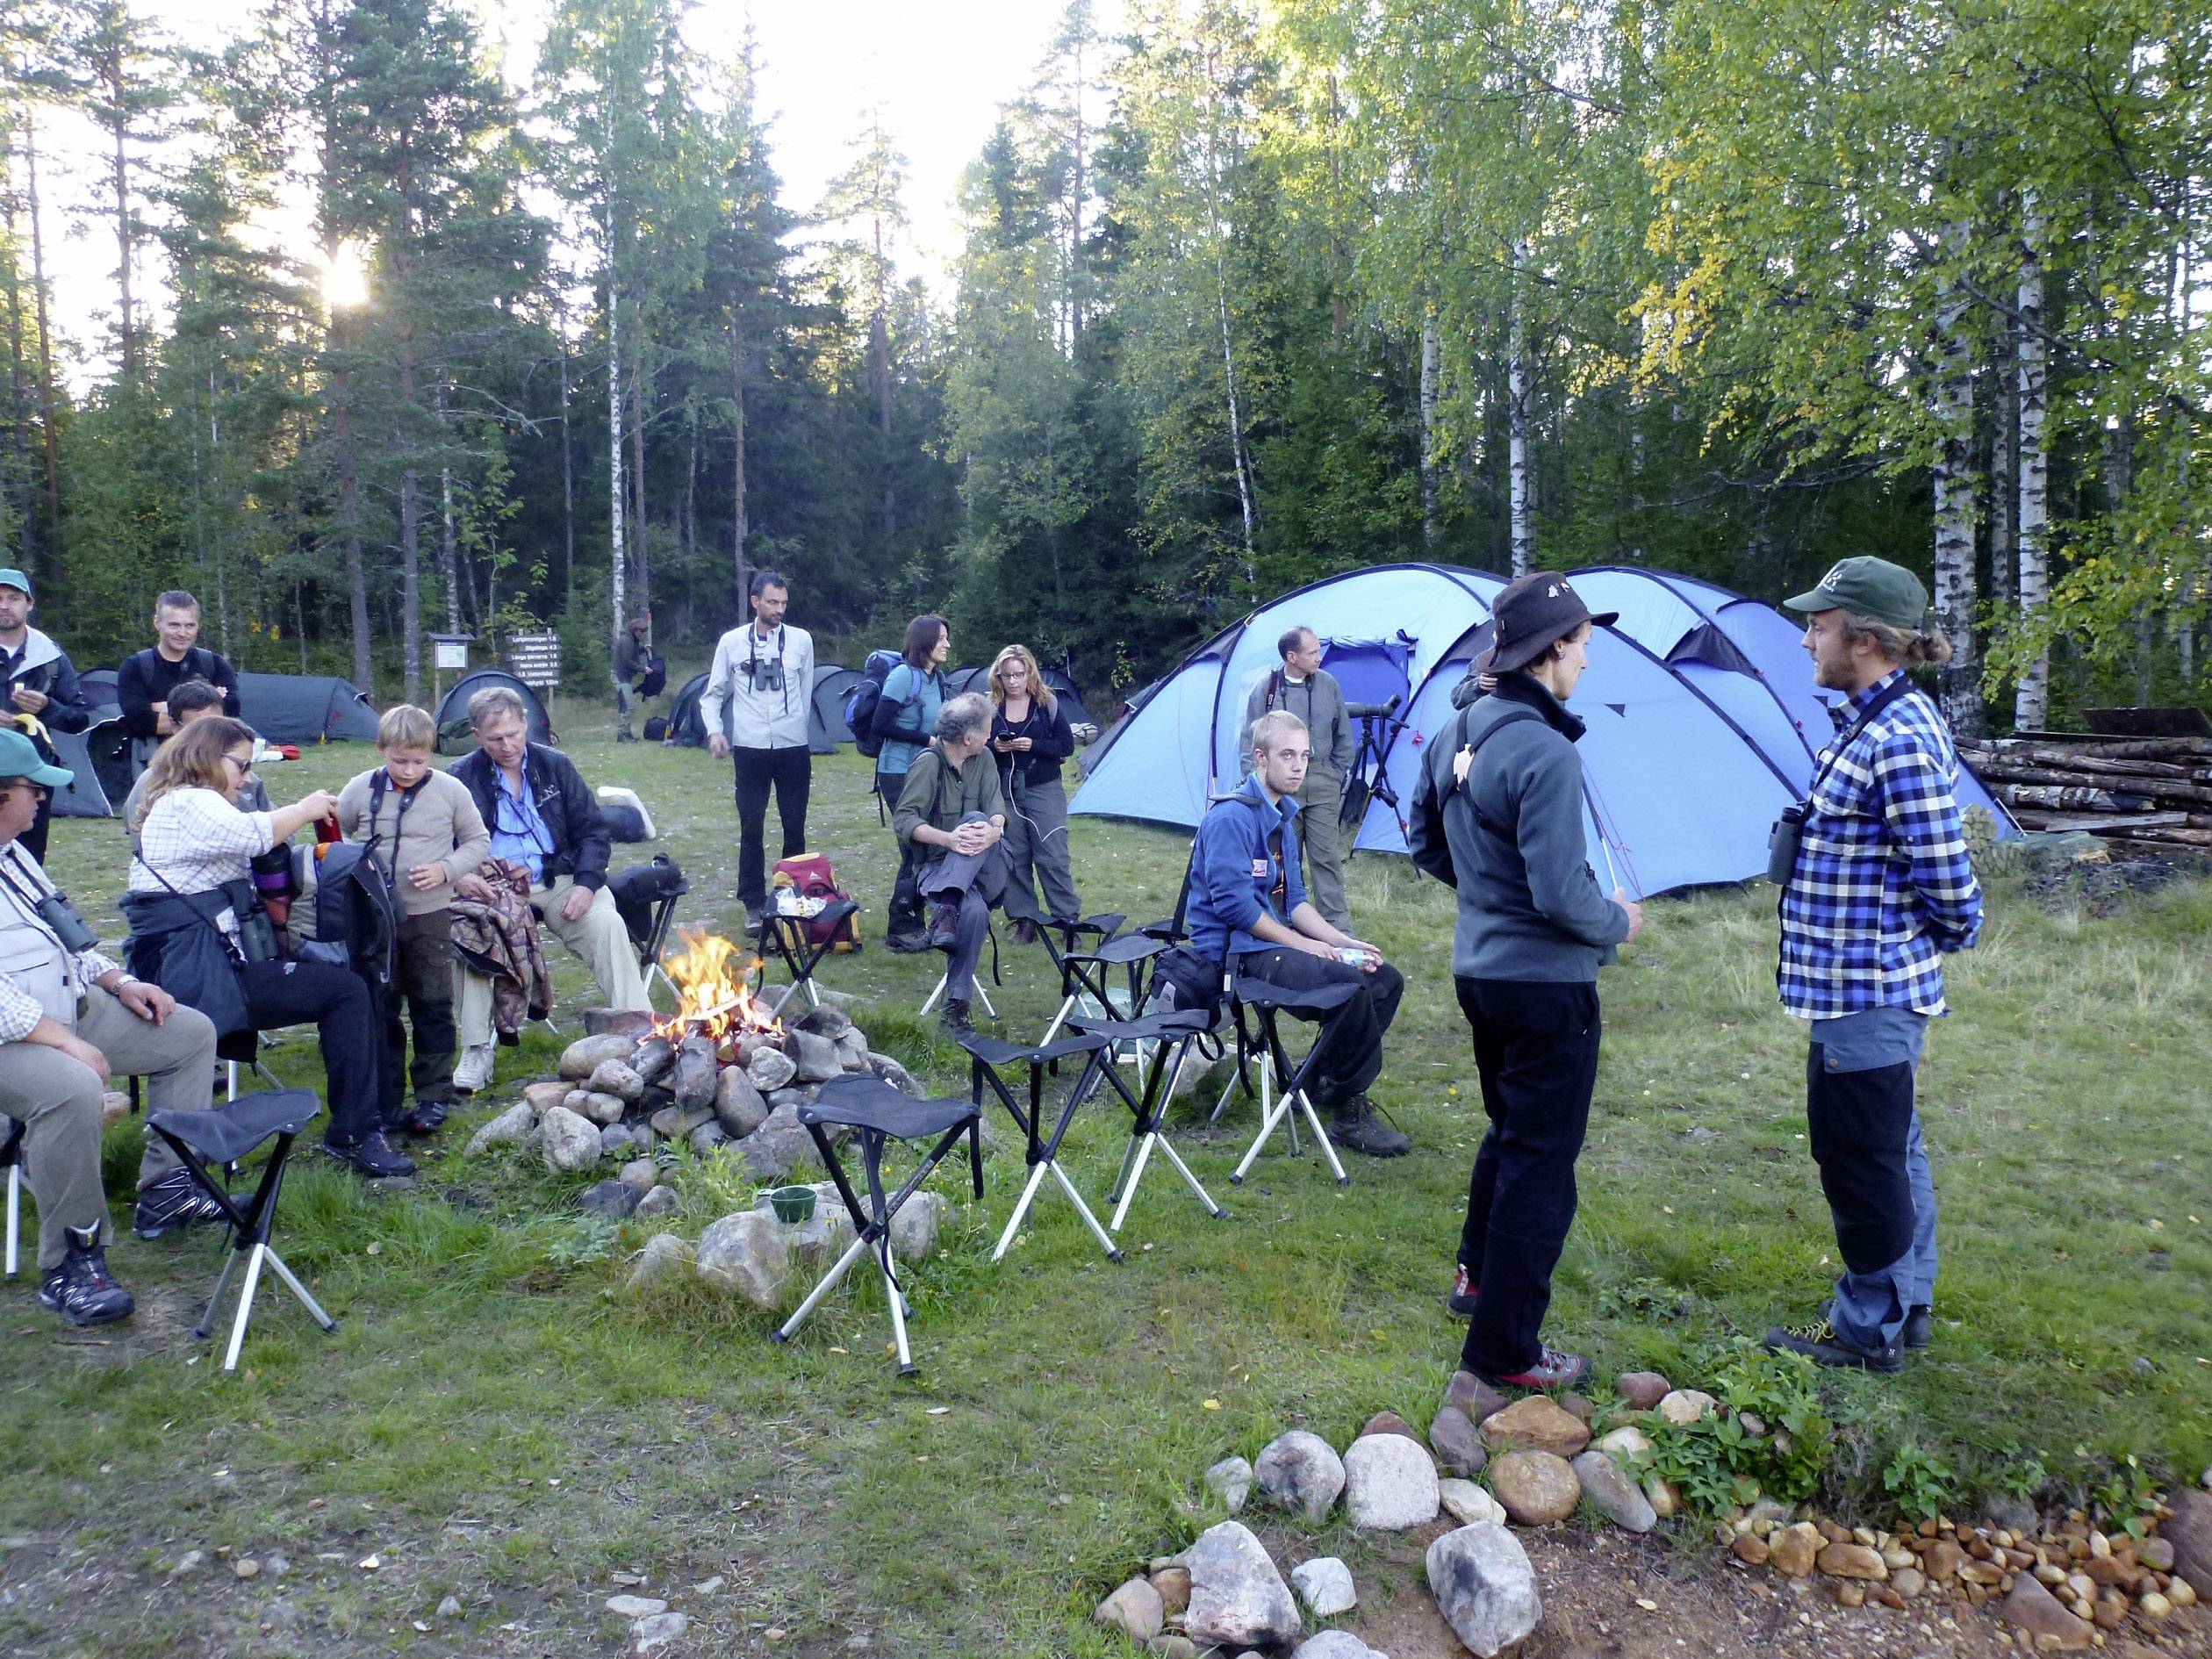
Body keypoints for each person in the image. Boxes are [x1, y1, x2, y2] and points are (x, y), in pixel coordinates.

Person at [1408, 571, 1641, 1390]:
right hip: (1545, 987)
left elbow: (1424, 844)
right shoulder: (1543, 748)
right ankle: (1505, 1350)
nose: (1585, 660)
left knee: (1510, 1134)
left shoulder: (1455, 730)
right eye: (1581, 646)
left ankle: (1477, 1280)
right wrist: (1616, 920)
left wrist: (1484, 896)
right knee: (1542, 1163)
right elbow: (1559, 893)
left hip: (1482, 974)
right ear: (1548, 654)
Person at [1763, 557, 1983, 1373]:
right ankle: (1904, 1305)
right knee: (1892, 1147)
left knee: (1861, 1157)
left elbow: (1951, 882)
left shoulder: (1894, 737)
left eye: (1818, 625)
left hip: (1870, 990)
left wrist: (1917, 947)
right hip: (1853, 989)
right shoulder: (1868, 719)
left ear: (1861, 638)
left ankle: (1866, 1331)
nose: (1806, 638)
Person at [0, 729, 227, 1326]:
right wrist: (66, 1042)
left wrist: (121, 983)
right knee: (71, 1088)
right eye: (32, 789)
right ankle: (72, 1261)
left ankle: (168, 1188)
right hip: (11, 1039)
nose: (42, 800)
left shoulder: (16, 856)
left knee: (190, 1032)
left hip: (66, 1010)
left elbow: (70, 939)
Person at [122, 717, 413, 1179]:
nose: (247, 776)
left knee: (345, 986)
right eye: (241, 764)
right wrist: (308, 807)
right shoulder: (188, 802)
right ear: (208, 758)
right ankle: (355, 1134)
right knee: (348, 990)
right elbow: (255, 836)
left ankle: (362, 1123)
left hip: (200, 964)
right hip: (197, 976)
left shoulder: (179, 801)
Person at [1185, 708, 1409, 1158]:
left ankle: (1320, 1081)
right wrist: (1307, 946)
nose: (1298, 766)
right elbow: (1235, 907)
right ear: (1260, 758)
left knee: (1383, 979)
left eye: (1304, 756)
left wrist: (1341, 941)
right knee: (1348, 987)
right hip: (1235, 953)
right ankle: (1348, 1109)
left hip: (1269, 941)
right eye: (1287, 755)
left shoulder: (1283, 816)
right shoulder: (1233, 817)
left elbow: (1296, 901)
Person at [448, 684, 650, 1093]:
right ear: (476, 736)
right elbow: (442, 844)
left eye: (514, 734)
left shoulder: (555, 765)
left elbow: (594, 832)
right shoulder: (458, 778)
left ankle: (642, 1032)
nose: (507, 746)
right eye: (495, 739)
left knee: (607, 924)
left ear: (526, 724)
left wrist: (588, 885)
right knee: (470, 936)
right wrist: (460, 875)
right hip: (493, 887)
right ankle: (475, 1049)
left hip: (560, 878)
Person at [338, 704, 490, 1137]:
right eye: (398, 760)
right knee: (380, 1007)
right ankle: (385, 1098)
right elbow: (342, 830)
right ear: (380, 750)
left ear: (432, 754)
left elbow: (478, 842)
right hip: (373, 920)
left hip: (429, 915)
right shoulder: (358, 788)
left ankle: (432, 1097)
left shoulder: (450, 791)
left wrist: (446, 870)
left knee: (432, 1004)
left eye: (419, 761)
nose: (408, 769)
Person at [891, 693, 1009, 1032]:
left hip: (990, 867)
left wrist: (994, 832)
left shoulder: (983, 758)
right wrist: (948, 839)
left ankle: (946, 908)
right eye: (986, 731)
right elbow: (905, 821)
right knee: (974, 912)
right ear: (968, 737)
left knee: (975, 816)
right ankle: (956, 1006)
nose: (990, 737)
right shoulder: (928, 764)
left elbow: (996, 805)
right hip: (938, 868)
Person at [701, 572, 815, 916]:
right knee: (751, 825)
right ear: (755, 602)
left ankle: (793, 895)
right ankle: (752, 902)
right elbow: (713, 694)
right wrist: (715, 731)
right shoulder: (732, 642)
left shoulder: (801, 641)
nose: (779, 609)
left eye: (783, 603)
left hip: (792, 746)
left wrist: (797, 726)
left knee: (794, 824)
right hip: (750, 748)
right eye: (772, 602)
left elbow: (806, 690)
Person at [1241, 626, 1354, 930]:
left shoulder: (1328, 685)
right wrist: (1260, 789)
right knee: (1283, 860)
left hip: (1321, 783)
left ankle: (1336, 927)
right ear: (1292, 656)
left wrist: (1334, 774)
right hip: (1279, 789)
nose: (1319, 657)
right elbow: (1247, 745)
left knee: (1326, 858)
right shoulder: (1266, 689)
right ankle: (1285, 921)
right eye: (1313, 652)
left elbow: (1343, 734)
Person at [986, 643, 1080, 945]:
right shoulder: (990, 708)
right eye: (1006, 676)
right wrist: (994, 747)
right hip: (1006, 789)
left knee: (1053, 854)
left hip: (1044, 787)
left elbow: (1066, 746)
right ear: (997, 677)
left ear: (1029, 673)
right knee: (1014, 856)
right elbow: (976, 746)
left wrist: (1033, 745)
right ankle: (1026, 919)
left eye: (1018, 674)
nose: (1013, 681)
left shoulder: (1047, 704)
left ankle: (1067, 920)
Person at [0, 566, 91, 863]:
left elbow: (79, 718)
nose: (4, 605)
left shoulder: (49, 656)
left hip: (31, 774)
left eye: (13, 598)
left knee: (28, 858)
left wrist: (46, 707)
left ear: (29, 604)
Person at [873, 614, 952, 950]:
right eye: (942, 638)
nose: (947, 644)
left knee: (928, 848)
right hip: (898, 772)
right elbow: (881, 724)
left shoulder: (938, 678)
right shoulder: (902, 677)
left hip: (926, 770)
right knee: (913, 846)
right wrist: (926, 740)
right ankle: (901, 928)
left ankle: (920, 923)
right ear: (925, 642)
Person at [115, 589, 241, 776]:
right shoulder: (135, 666)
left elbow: (231, 711)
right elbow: (138, 720)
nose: (182, 633)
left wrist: (160, 707)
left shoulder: (214, 663)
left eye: (190, 625)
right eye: (174, 625)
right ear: (157, 623)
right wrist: (208, 708)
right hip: (155, 763)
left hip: (210, 761)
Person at [121, 679, 272, 829]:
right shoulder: (153, 782)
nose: (209, 738)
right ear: (174, 726)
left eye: (216, 727)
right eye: (197, 730)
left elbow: (274, 827)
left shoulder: (246, 779)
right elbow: (141, 839)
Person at [613, 613, 657, 743]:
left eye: (643, 631)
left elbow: (633, 653)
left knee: (626, 705)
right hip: (620, 677)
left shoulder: (630, 639)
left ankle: (626, 734)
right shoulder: (627, 640)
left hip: (624, 676)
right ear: (635, 629)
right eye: (641, 631)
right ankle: (623, 734)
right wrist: (643, 669)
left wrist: (644, 648)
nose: (642, 634)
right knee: (629, 705)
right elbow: (627, 661)